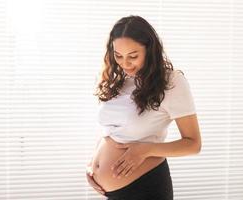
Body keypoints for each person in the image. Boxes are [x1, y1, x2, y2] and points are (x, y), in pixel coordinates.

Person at [86, 15, 202, 200]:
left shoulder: (171, 82)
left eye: (133, 56)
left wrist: (145, 149)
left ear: (150, 50)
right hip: (111, 192)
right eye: (118, 56)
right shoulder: (118, 80)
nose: (125, 64)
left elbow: (193, 144)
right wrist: (93, 165)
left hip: (145, 188)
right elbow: (110, 131)